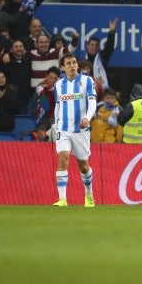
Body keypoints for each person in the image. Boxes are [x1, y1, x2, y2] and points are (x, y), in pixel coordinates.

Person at [52, 53, 97, 207]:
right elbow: (58, 106)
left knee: (83, 166)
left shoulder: (87, 81)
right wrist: (55, 124)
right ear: (63, 68)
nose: (72, 66)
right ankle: (62, 199)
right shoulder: (58, 85)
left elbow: (92, 103)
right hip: (63, 129)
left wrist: (87, 119)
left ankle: (89, 194)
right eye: (68, 63)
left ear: (77, 65)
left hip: (81, 130)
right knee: (63, 159)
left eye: (74, 63)